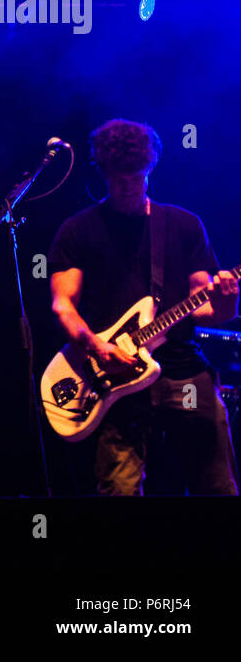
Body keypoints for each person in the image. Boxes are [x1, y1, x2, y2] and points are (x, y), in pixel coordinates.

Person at [48, 118, 239, 495]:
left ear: (150, 170)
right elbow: (62, 305)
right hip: (112, 376)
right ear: (103, 173)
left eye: (136, 177)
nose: (128, 187)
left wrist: (228, 297)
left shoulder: (183, 226)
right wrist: (97, 347)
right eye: (119, 179)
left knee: (218, 487)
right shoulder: (77, 231)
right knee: (119, 490)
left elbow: (206, 308)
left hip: (182, 371)